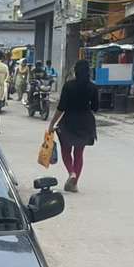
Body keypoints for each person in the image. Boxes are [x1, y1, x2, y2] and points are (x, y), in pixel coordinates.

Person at [48, 59, 98, 193]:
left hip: (69, 121)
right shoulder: (93, 87)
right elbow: (95, 107)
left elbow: (61, 107)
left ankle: (71, 173)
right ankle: (74, 184)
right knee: (79, 153)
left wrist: (52, 123)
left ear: (75, 71)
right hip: (86, 122)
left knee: (66, 150)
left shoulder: (68, 86)